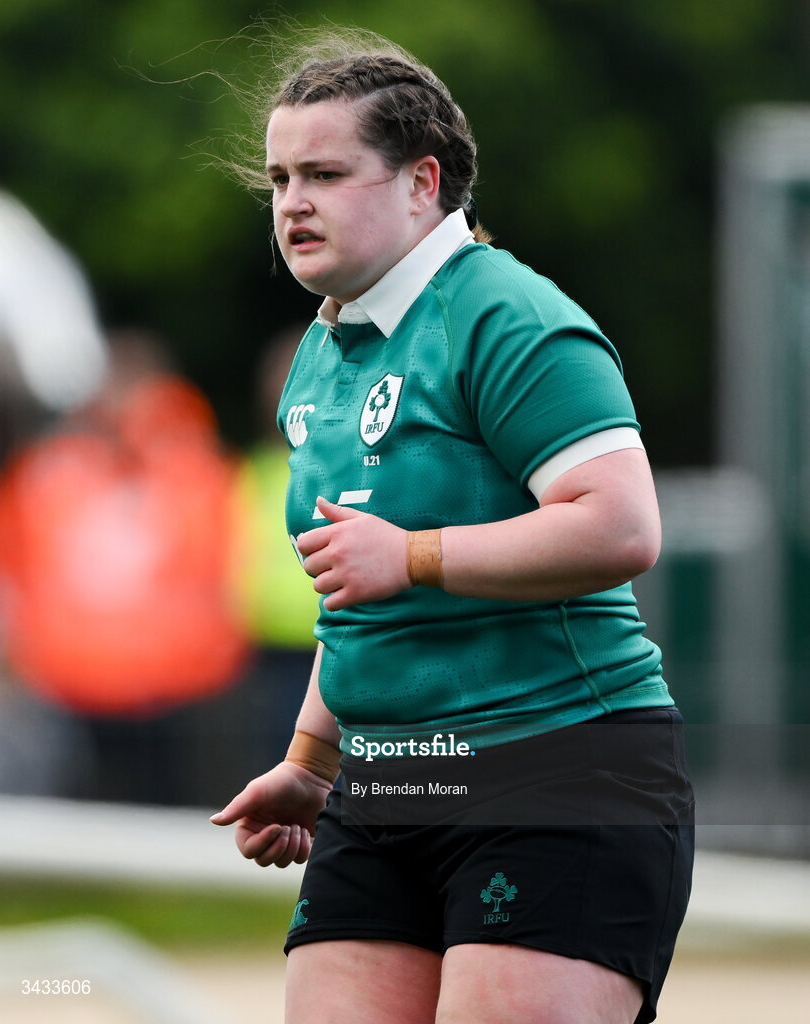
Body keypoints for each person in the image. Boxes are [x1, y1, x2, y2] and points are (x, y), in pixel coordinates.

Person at [211, 29, 694, 1024]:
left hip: (556, 770)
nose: (291, 202)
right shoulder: (324, 347)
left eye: (324, 173)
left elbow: (620, 525)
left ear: (422, 182)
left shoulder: (507, 316)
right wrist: (309, 763)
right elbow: (357, 596)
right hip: (391, 782)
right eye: (278, 178)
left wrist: (415, 556)